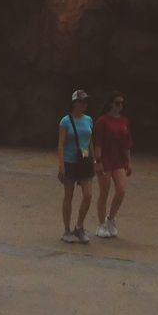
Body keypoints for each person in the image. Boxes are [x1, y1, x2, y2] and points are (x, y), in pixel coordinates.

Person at [57, 89, 95, 245]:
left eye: (85, 101)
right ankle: (66, 229)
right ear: (74, 103)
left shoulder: (89, 120)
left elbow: (90, 140)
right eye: (81, 101)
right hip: (70, 161)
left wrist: (94, 161)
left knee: (88, 194)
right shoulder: (65, 121)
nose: (84, 104)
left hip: (85, 161)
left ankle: (79, 226)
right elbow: (61, 144)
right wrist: (61, 166)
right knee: (69, 195)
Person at [94, 91, 132, 238]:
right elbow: (98, 143)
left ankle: (111, 218)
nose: (120, 106)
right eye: (117, 103)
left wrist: (128, 161)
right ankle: (101, 225)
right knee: (104, 192)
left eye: (122, 103)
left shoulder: (124, 121)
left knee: (121, 190)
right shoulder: (102, 121)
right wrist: (98, 162)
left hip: (119, 161)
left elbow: (127, 143)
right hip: (105, 159)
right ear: (111, 103)